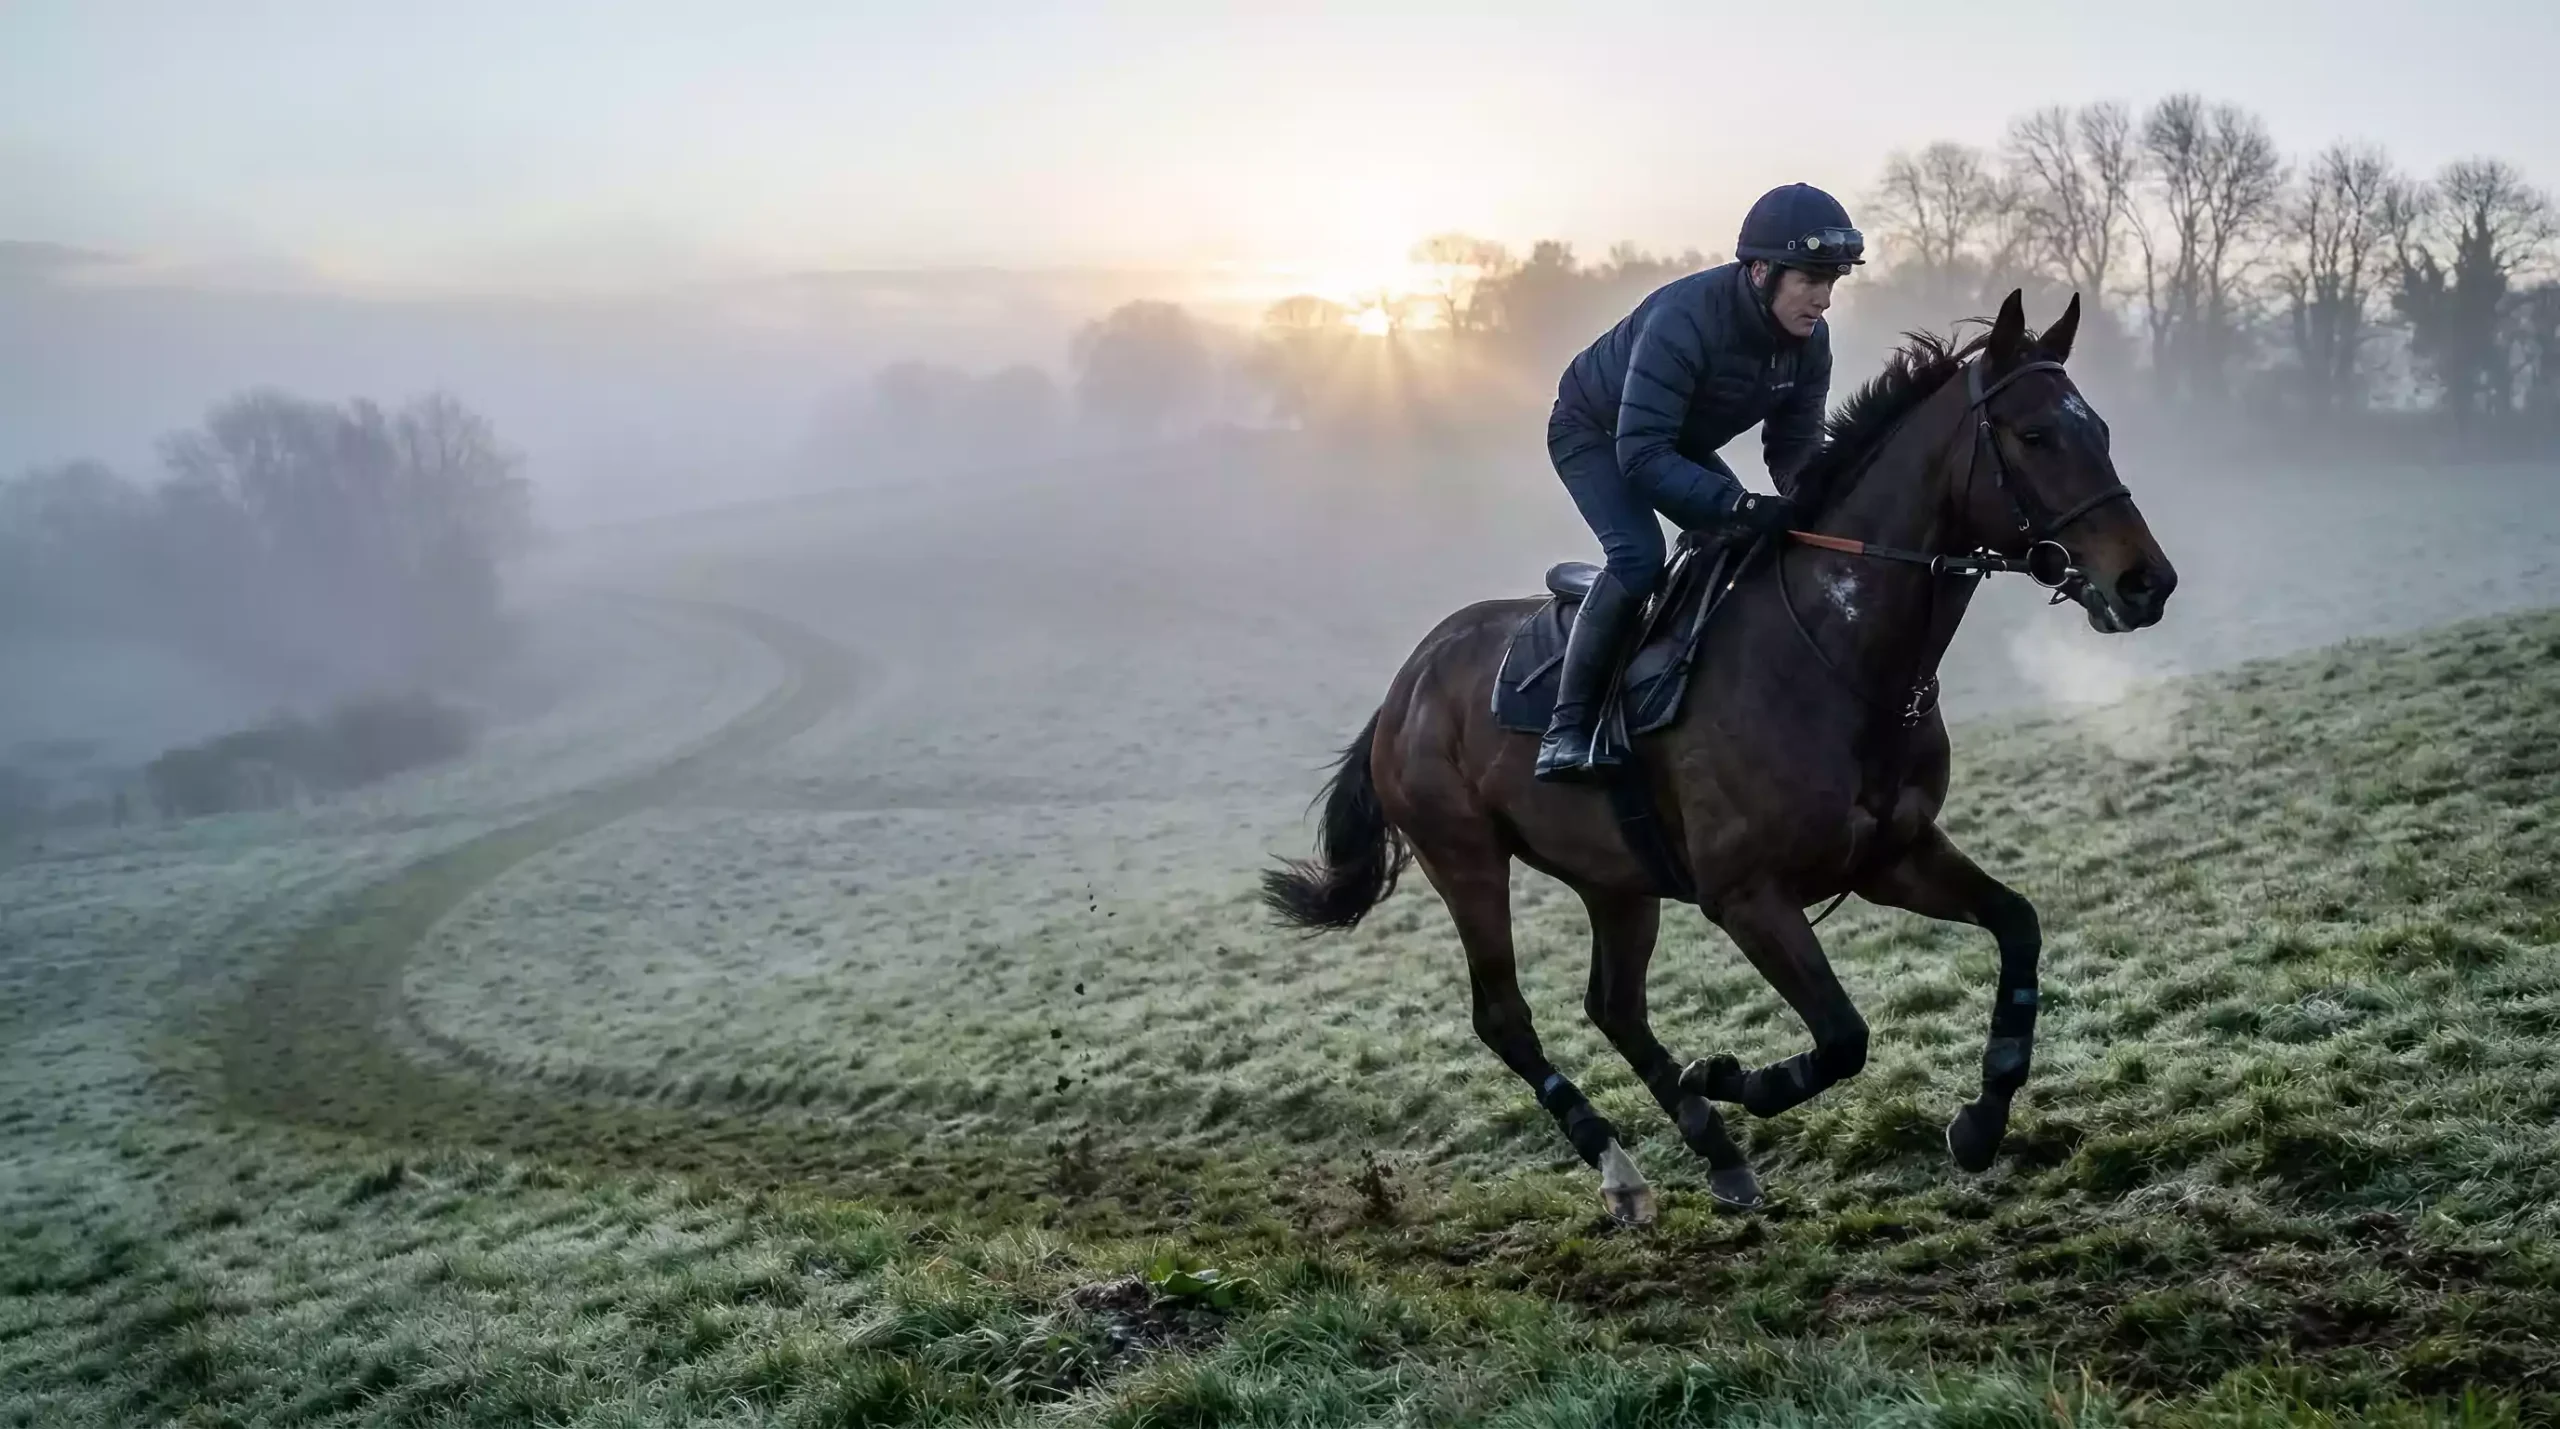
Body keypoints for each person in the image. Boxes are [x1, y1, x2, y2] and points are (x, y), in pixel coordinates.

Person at [1534, 182, 1862, 782]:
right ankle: (1566, 730)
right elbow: (1640, 456)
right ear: (1761, 272)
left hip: (1670, 437)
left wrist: (1816, 505)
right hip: (1596, 432)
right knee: (1638, 557)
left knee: (1744, 547)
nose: (1823, 300)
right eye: (1810, 280)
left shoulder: (1810, 342)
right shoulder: (1683, 319)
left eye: (1832, 282)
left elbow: (1794, 447)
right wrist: (1741, 504)